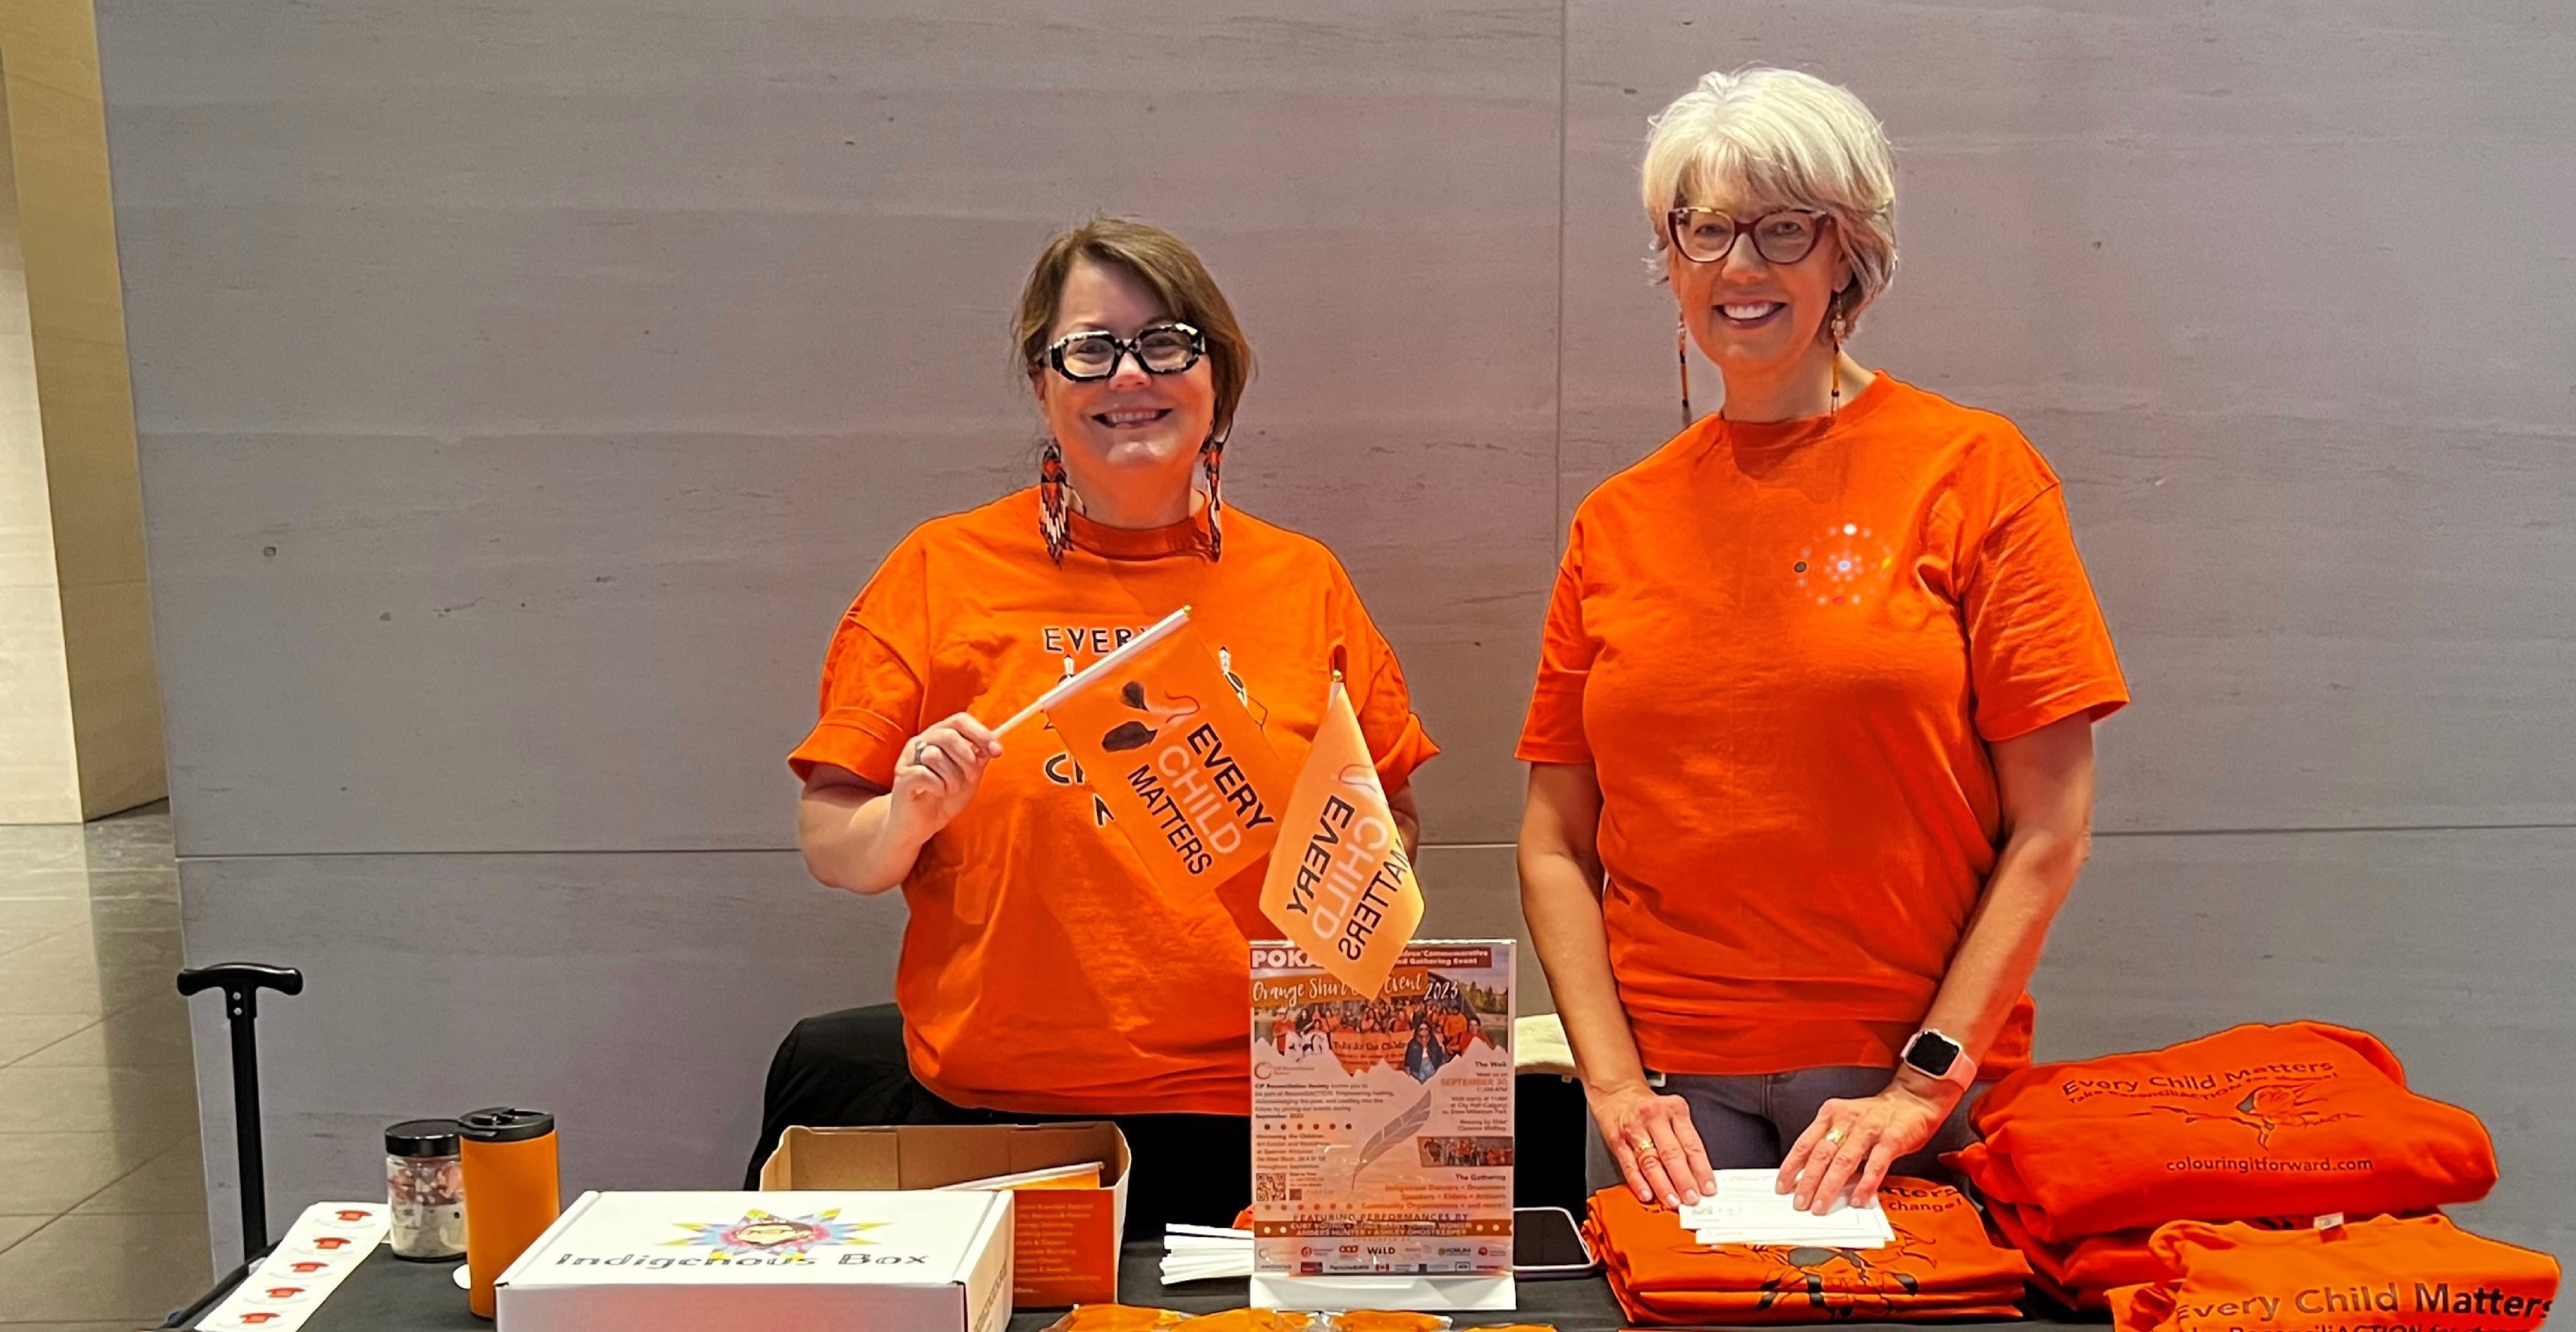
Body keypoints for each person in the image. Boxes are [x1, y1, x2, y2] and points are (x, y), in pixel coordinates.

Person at [1516, 67, 2130, 1217]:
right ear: (1671, 256)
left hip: (1898, 1101)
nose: (1739, 267)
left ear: (1847, 251)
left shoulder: (1973, 472)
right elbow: (1556, 838)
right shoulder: (1617, 518)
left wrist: (1920, 1085)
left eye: (1782, 227)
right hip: (1666, 1107)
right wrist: (1608, 1087)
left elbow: (2053, 827)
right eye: (1704, 229)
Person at [790, 216, 1437, 1230]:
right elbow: (835, 844)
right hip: (1006, 1131)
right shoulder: (941, 572)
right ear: (1044, 383)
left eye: (1167, 344)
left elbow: (1393, 822)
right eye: (1091, 349)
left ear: (1214, 375)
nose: (1130, 377)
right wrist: (909, 812)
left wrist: (1357, 857)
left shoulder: (1302, 582)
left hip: (1266, 1120)